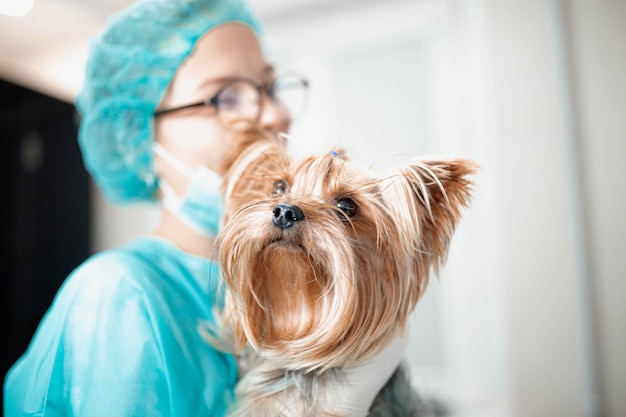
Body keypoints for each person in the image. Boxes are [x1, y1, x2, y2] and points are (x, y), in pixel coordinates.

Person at [3, 0, 407, 416]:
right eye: (225, 98)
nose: (274, 113)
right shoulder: (121, 295)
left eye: (268, 88)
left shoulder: (281, 284)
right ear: (141, 137)